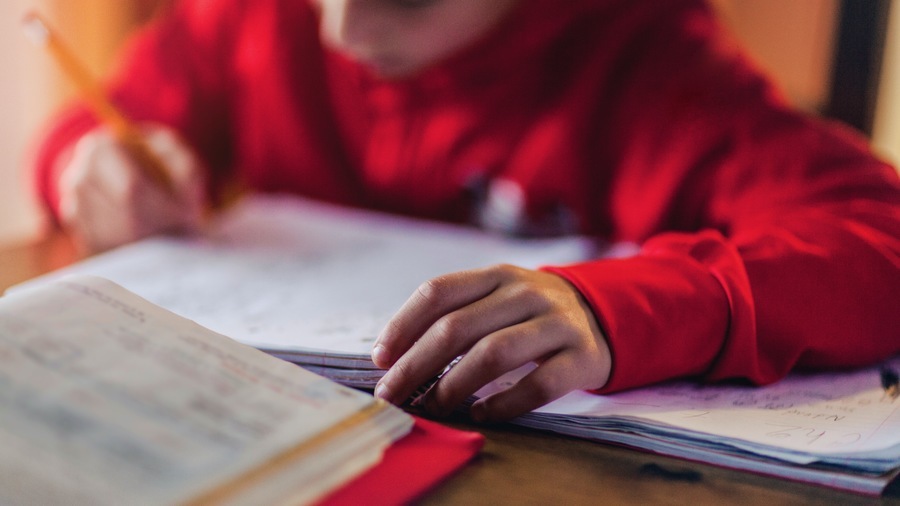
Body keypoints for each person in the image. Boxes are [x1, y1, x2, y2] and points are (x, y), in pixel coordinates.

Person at [32, 0, 900, 422]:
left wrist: (620, 306)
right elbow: (100, 119)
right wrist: (88, 167)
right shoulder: (249, 16)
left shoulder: (643, 63)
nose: (339, 28)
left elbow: (876, 233)